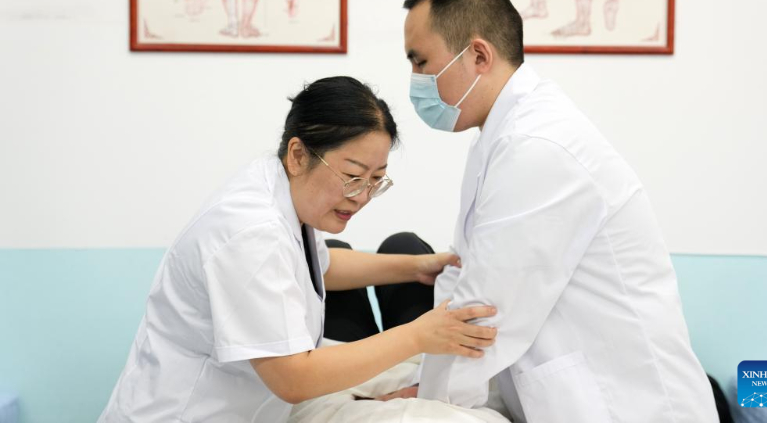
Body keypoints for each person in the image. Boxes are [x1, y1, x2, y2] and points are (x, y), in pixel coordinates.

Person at [397, 0, 719, 422]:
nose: (414, 80)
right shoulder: (504, 137)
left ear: (479, 56)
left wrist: (428, 406)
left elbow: (481, 313)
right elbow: (467, 279)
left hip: (631, 406)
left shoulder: (538, 147)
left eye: (420, 62)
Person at [98, 76, 497, 422]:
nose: (362, 197)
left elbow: (320, 266)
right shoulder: (250, 232)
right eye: (354, 177)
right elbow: (294, 378)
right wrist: (417, 336)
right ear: (298, 154)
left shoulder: (280, 192)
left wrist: (417, 266)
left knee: (404, 247)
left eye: (377, 180)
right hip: (183, 414)